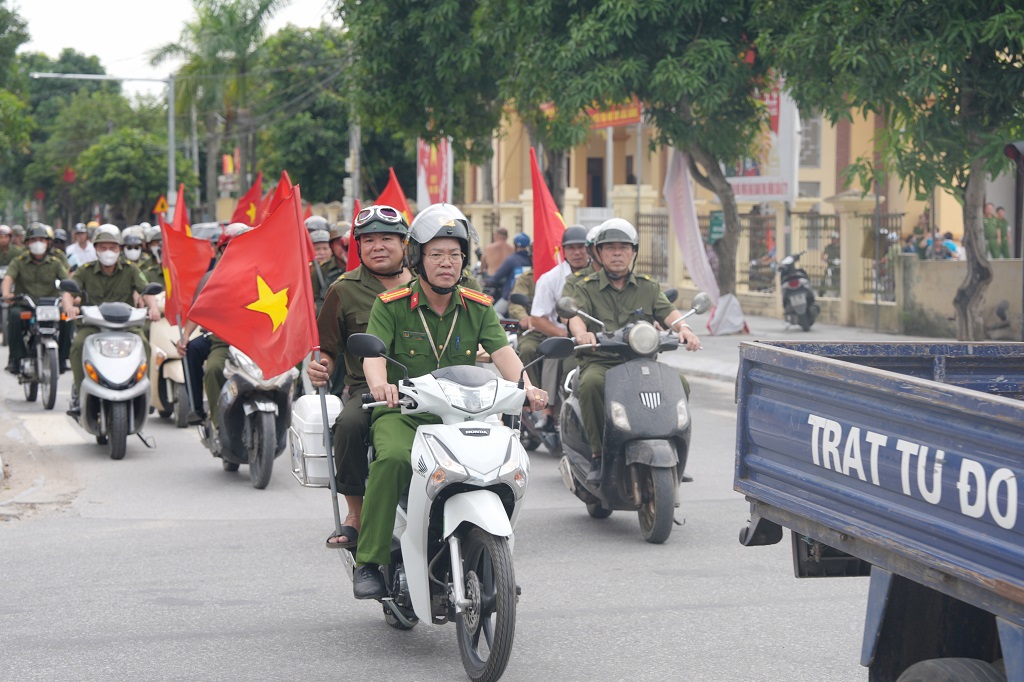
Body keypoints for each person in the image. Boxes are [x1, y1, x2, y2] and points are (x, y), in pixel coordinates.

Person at [350, 204, 548, 599]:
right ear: (418, 260)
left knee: (503, 464)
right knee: (390, 460)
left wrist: (528, 387)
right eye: (436, 254)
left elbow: (503, 355)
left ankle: (494, 555)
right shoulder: (390, 305)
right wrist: (381, 387)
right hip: (406, 412)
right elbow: (373, 356)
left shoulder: (477, 305)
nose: (446, 263)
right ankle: (369, 559)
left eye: (454, 254)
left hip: (463, 415)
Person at [305, 205, 413, 550]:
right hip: (369, 389)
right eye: (368, 240)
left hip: (433, 387)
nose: (377, 246)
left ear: (405, 243)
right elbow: (327, 347)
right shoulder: (344, 288)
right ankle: (356, 513)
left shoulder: (429, 283)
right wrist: (319, 364)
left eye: (386, 238)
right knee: (348, 426)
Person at [563, 218, 701, 484]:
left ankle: (672, 447)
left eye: (624, 248)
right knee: (590, 384)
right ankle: (598, 454)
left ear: (633, 252)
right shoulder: (586, 286)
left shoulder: (648, 286)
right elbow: (573, 315)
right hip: (601, 362)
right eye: (610, 248)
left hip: (640, 362)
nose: (617, 253)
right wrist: (581, 333)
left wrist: (684, 328)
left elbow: (668, 312)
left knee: (680, 383)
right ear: (599, 254)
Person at [63, 224, 160, 417]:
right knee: (77, 346)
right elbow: (69, 291)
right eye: (103, 247)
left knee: (146, 345)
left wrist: (154, 307)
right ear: (96, 248)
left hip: (126, 327)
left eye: (113, 248)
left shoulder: (131, 270)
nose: (108, 252)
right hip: (93, 327)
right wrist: (69, 307)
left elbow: (145, 289)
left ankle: (142, 392)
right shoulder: (85, 270)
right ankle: (80, 393)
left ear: (119, 249)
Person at [516, 224, 591, 427]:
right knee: (538, 350)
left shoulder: (596, 275)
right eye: (571, 248)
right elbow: (539, 318)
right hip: (550, 329)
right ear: (563, 251)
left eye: (581, 247)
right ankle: (544, 409)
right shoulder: (550, 278)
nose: (577, 253)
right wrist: (563, 333)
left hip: (589, 333)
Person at [2, 225, 69, 374]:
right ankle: (16, 358)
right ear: (27, 243)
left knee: (67, 315)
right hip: (27, 305)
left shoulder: (55, 262)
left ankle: (63, 357)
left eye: (41, 240)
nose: (38, 243)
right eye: (34, 240)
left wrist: (71, 297)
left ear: (47, 243)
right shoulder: (18, 261)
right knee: (14, 316)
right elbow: (8, 278)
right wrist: (6, 293)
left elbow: (67, 281)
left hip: (51, 305)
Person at [486, 232, 532, 315]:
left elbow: (498, 275)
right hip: (528, 297)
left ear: (515, 245)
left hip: (510, 296)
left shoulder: (512, 259)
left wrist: (488, 282)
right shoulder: (531, 259)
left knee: (493, 314)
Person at [309, 229, 341, 315]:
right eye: (317, 249)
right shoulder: (312, 270)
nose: (322, 253)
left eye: (325, 248)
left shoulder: (339, 265)